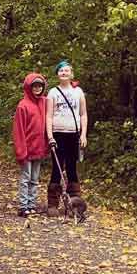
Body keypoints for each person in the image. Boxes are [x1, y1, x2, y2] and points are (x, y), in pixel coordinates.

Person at [46, 60, 88, 217]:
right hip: (58, 134)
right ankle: (52, 204)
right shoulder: (53, 93)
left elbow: (83, 114)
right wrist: (50, 136)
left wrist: (83, 134)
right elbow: (49, 116)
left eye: (66, 71)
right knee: (57, 169)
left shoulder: (78, 92)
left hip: (73, 134)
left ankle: (74, 205)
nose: (64, 73)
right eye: (61, 71)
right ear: (57, 74)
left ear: (71, 74)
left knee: (72, 169)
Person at [12, 73, 49, 217]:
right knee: (25, 178)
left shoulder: (45, 102)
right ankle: (23, 206)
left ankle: (32, 204)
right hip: (26, 149)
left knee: (35, 179)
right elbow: (18, 130)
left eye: (40, 86)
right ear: (29, 87)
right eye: (34, 86)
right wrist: (21, 151)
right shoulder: (23, 105)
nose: (37, 88)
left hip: (38, 148)